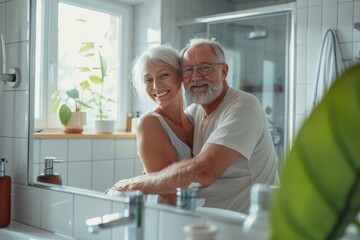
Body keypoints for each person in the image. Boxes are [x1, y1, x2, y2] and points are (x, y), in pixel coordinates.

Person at [109, 38, 279, 214]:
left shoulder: (243, 106)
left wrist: (137, 184)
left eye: (205, 67)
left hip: (249, 224)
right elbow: (169, 182)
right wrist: (156, 177)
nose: (196, 77)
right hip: (208, 222)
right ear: (183, 76)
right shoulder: (194, 113)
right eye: (189, 70)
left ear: (224, 70)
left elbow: (204, 170)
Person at [107, 45, 193, 204]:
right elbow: (170, 191)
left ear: (181, 75)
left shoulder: (194, 118)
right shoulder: (150, 123)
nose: (155, 86)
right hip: (166, 215)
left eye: (164, 75)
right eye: (148, 80)